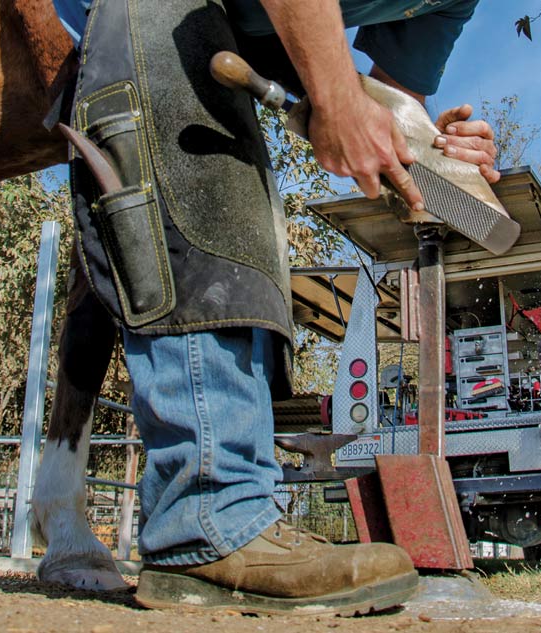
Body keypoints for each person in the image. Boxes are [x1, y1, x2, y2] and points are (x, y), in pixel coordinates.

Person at [50, 0, 499, 616]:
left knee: (248, 219)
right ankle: (207, 515)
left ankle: (229, 515)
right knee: (176, 55)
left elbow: (393, 105)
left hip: (246, 31)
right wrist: (335, 98)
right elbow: (338, 98)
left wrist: (436, 149)